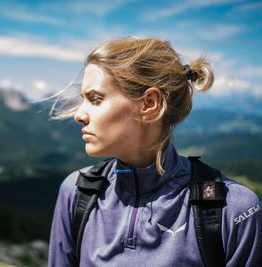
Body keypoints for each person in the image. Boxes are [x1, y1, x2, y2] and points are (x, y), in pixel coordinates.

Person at [48, 37, 262, 266]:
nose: (78, 115)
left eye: (95, 99)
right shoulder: (76, 193)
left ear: (150, 103)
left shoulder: (233, 210)